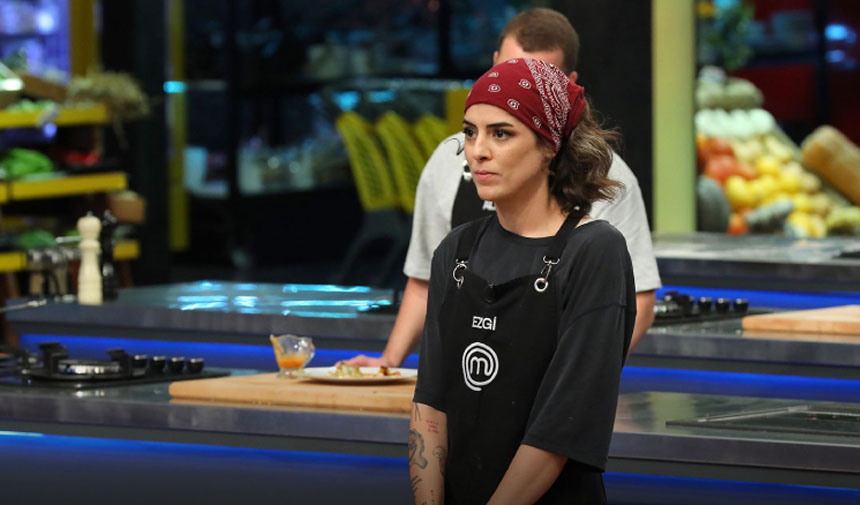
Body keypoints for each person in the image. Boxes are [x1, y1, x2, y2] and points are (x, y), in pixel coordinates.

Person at [344, 8, 658, 369]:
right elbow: (425, 282)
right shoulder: (450, 167)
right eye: (472, 133)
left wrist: (578, 381)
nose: (480, 151)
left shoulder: (605, 184)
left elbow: (638, 299)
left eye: (536, 80)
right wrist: (390, 361)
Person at [410, 58, 634, 504]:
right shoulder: (456, 250)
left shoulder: (595, 251)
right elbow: (431, 405)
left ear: (549, 145)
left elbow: (560, 428)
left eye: (501, 133)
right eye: (470, 132)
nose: (478, 151)